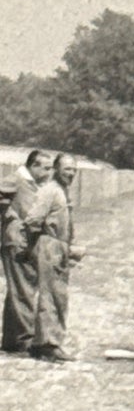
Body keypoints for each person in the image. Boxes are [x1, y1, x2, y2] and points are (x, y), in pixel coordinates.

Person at [25, 153, 85, 362]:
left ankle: (42, 342)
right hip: (50, 245)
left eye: (74, 170)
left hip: (59, 246)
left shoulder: (62, 191)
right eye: (67, 169)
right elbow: (33, 219)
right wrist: (41, 244)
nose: (71, 174)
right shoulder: (50, 191)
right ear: (57, 169)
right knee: (51, 296)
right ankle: (48, 345)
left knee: (58, 295)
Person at [2, 149, 50, 353]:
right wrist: (10, 216)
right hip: (16, 242)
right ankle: (24, 339)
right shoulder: (16, 179)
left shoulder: (32, 183)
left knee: (19, 289)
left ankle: (12, 340)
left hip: (24, 242)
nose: (48, 172)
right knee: (24, 289)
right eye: (45, 168)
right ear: (34, 165)